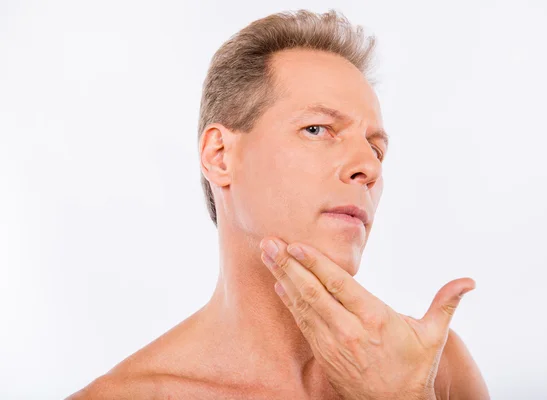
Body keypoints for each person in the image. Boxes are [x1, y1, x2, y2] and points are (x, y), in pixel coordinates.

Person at [67, 9, 490, 399]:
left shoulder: (432, 367)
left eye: (377, 150)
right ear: (220, 156)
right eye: (317, 129)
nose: (367, 167)